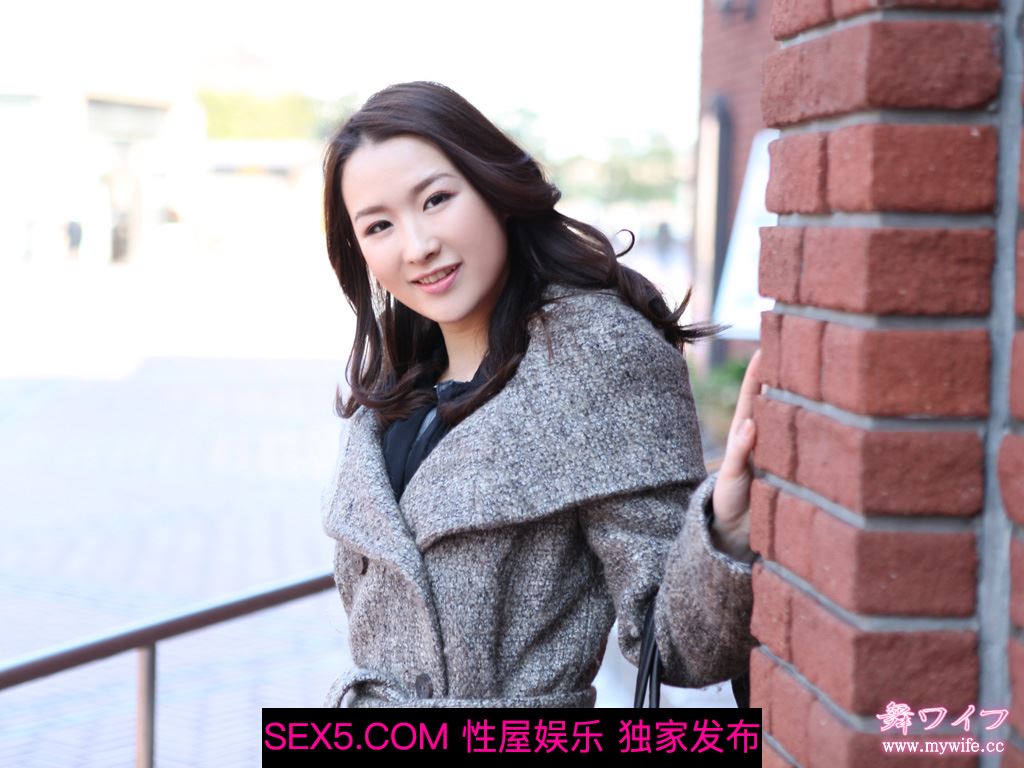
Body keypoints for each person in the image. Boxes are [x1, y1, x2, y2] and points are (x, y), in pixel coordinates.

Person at [319, 81, 761, 708]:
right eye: (380, 225)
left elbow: (681, 646)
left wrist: (727, 530)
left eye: (437, 199)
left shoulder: (596, 355)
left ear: (493, 188)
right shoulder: (397, 385)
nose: (418, 247)